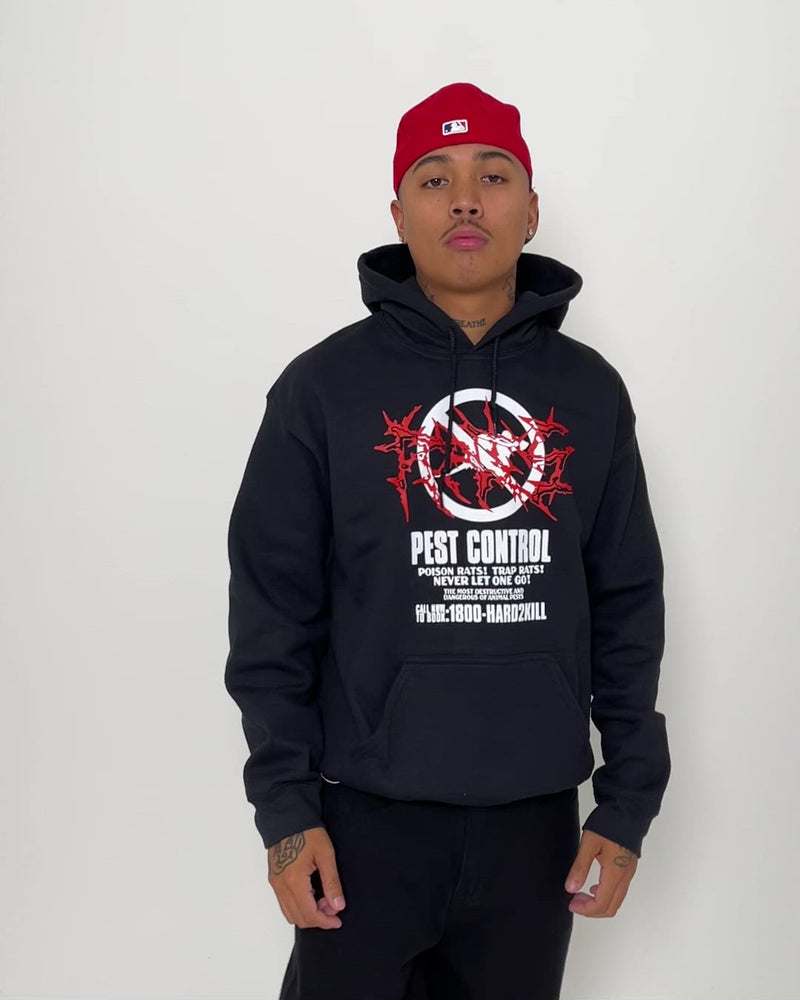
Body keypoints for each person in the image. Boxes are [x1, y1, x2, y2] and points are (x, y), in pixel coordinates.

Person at [224, 81, 671, 1000]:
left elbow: (627, 603)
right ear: (399, 216)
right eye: (435, 179)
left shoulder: (590, 394)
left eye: (492, 176)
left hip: (536, 836)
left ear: (531, 211)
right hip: (360, 827)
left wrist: (625, 804)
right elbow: (271, 613)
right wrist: (286, 813)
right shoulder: (322, 391)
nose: (465, 199)